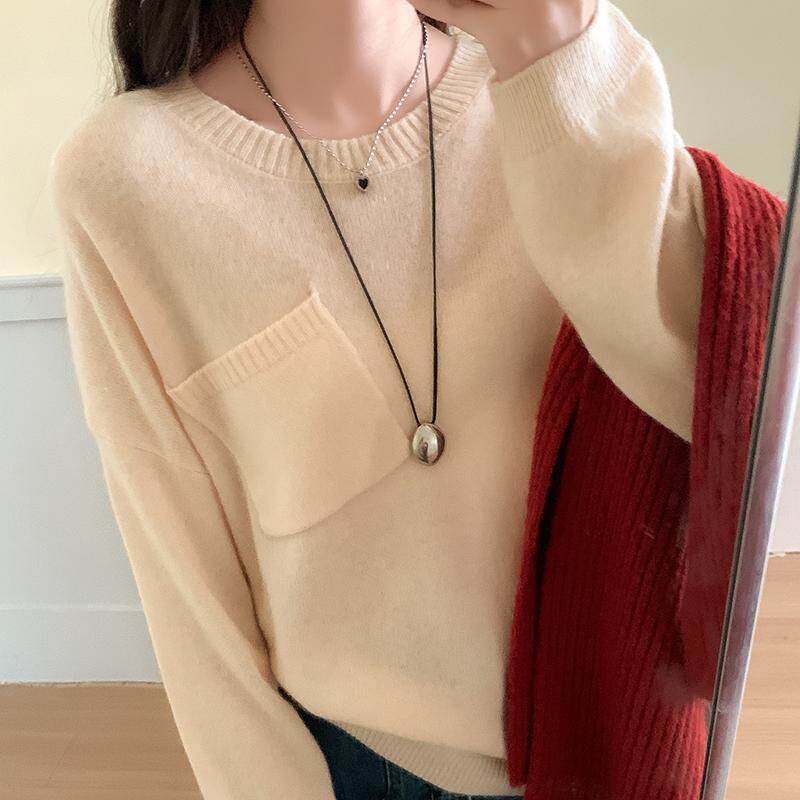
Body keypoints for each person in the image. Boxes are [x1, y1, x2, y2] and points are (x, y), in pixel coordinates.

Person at [48, 1, 708, 798]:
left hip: (613, 729)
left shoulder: (553, 78)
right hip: (362, 767)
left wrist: (565, 58)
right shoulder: (128, 179)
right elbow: (186, 583)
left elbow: (713, 404)